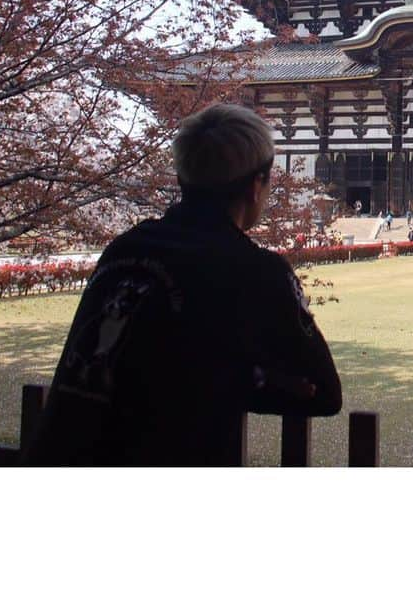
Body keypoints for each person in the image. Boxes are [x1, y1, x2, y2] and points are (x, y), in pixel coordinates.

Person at [23, 103, 342, 466]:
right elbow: (324, 393)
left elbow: (144, 359)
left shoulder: (125, 249)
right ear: (257, 186)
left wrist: (210, 374)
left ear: (181, 178)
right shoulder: (257, 270)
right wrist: (247, 379)